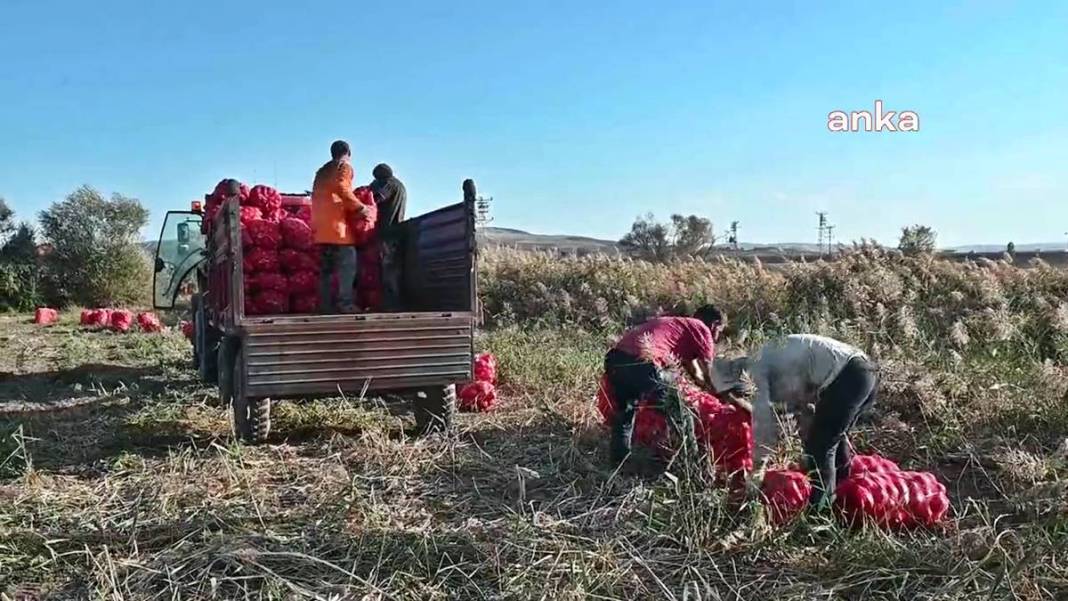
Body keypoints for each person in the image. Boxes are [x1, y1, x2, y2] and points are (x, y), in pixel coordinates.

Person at [709, 334, 878, 505]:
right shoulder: (765, 360)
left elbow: (764, 426)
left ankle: (821, 511)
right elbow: (805, 408)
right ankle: (842, 498)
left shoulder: (755, 373)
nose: (738, 398)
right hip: (861, 371)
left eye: (734, 393)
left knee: (821, 446)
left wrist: (758, 471)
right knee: (833, 441)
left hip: (849, 376)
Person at [603, 305, 727, 464]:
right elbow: (710, 375)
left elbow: (696, 374)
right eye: (720, 331)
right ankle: (692, 463)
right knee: (681, 413)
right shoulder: (702, 329)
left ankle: (619, 463)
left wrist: (706, 388)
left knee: (625, 413)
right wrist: (723, 396)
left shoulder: (680, 327)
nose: (717, 337)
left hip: (616, 360)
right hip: (643, 364)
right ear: (714, 325)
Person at [311, 140, 369, 313]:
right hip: (337, 229)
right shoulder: (343, 166)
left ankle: (324, 306)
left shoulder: (322, 171)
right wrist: (360, 207)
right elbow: (342, 187)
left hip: (321, 228)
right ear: (348, 153)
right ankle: (345, 304)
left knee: (326, 270)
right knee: (348, 265)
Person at [368, 163, 407, 310]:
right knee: (392, 267)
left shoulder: (389, 185)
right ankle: (393, 301)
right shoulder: (399, 185)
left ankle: (391, 303)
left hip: (389, 232)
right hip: (396, 231)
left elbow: (376, 199)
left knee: (388, 268)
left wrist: (365, 194)